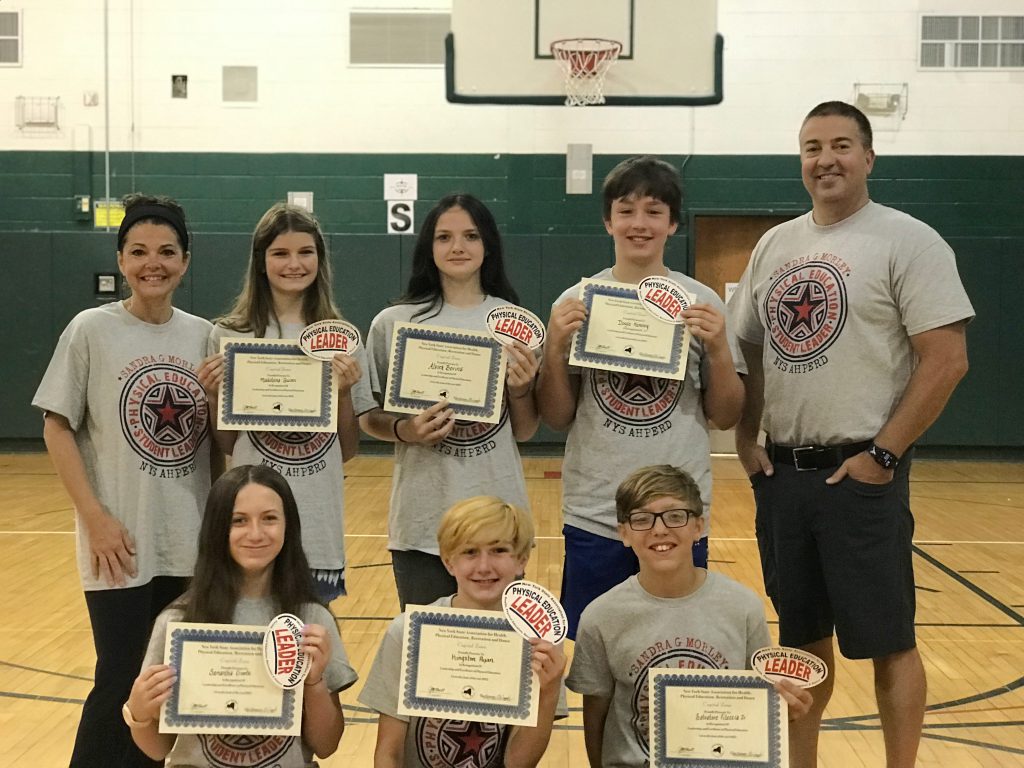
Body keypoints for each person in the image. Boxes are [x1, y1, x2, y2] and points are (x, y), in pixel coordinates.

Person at [728, 100, 974, 768]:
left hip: (861, 476)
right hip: (783, 476)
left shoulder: (909, 241)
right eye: (812, 146)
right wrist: (746, 440)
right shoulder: (775, 245)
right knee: (801, 640)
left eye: (841, 145)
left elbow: (947, 360)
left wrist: (883, 453)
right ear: (800, 159)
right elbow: (746, 352)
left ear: (868, 156)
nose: (825, 159)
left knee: (889, 639)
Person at [32, 194, 215, 767]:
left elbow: (223, 441)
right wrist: (96, 518)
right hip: (119, 545)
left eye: (166, 251)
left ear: (186, 261)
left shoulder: (207, 338)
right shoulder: (91, 329)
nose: (152, 263)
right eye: (138, 251)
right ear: (121, 259)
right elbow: (56, 427)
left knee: (177, 688)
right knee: (119, 681)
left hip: (190, 544)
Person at [536, 156, 744, 637]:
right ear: (608, 221)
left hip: (678, 514)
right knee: (593, 655)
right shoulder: (575, 302)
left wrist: (717, 348)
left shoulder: (702, 303)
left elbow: (726, 415)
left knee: (675, 645)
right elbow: (557, 416)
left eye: (654, 211)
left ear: (672, 224)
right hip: (597, 509)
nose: (639, 224)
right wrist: (554, 348)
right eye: (626, 210)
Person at [360, 193, 540, 610]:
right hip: (422, 519)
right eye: (444, 237)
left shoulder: (514, 322)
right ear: (429, 247)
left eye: (470, 236)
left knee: (494, 654)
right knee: (426, 654)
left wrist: (520, 390)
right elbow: (369, 416)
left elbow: (527, 430)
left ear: (488, 246)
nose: (457, 247)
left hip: (500, 517)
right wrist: (405, 429)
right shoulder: (393, 323)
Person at [566, 464, 811, 768]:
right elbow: (596, 715)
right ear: (624, 533)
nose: (659, 529)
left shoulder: (742, 607)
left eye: (675, 516)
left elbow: (759, 701)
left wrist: (784, 709)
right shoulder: (601, 616)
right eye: (642, 519)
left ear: (698, 527)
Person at [199, 202, 375, 603]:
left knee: (311, 653)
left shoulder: (343, 338)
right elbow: (228, 444)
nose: (293, 264)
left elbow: (347, 450)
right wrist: (213, 395)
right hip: (251, 524)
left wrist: (344, 393)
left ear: (320, 259)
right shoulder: (228, 335)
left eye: (305, 252)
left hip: (316, 521)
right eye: (280, 253)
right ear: (261, 262)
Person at [125, 464, 355, 765]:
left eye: (269, 519)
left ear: (289, 526)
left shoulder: (312, 620)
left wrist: (313, 683)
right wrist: (139, 713)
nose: (255, 534)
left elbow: (326, 745)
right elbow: (158, 749)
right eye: (239, 521)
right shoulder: (178, 621)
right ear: (217, 528)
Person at [358, 496, 566, 767]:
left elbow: (518, 762)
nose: (483, 566)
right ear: (448, 562)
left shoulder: (538, 642)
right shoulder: (408, 632)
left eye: (499, 550)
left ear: (522, 560)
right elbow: (389, 753)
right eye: (470, 552)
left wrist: (548, 693)